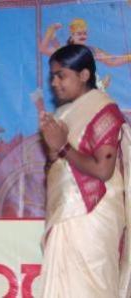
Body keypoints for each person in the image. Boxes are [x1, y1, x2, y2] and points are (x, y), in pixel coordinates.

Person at [38, 44, 131, 297]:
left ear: (84, 75)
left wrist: (63, 147)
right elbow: (57, 164)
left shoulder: (105, 111)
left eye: (61, 75)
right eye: (52, 77)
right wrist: (52, 147)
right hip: (66, 213)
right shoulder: (64, 112)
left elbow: (103, 170)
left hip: (93, 214)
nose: (55, 83)